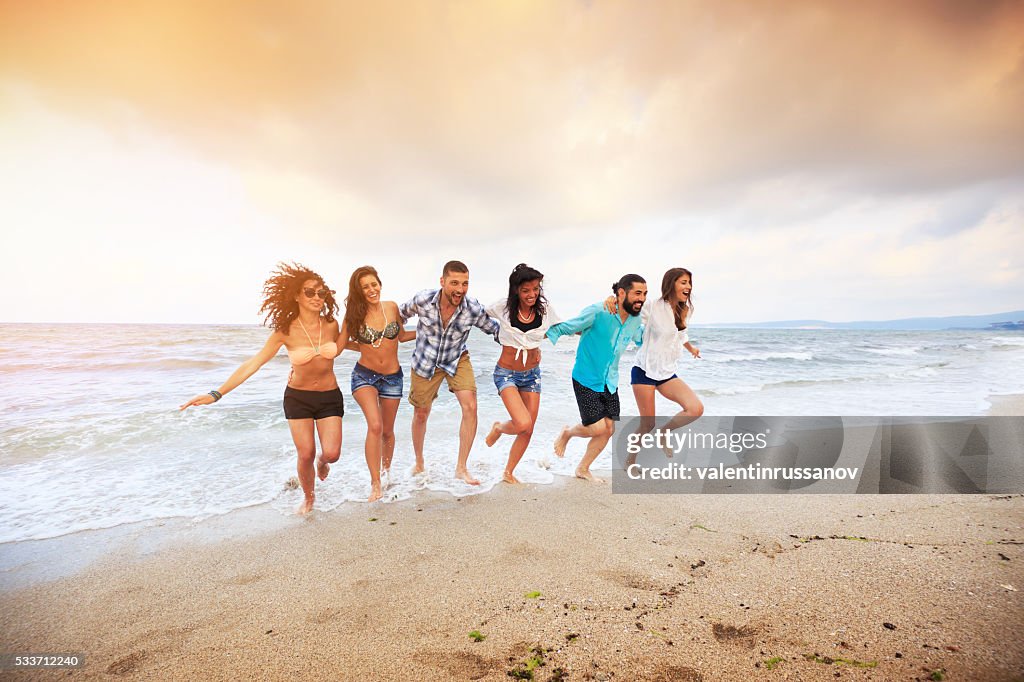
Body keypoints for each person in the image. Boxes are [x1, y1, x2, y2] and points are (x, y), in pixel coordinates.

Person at [180, 263, 344, 515]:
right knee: (306, 453)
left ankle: (323, 463)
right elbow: (254, 363)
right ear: (297, 296)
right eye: (310, 292)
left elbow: (349, 343)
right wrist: (216, 393)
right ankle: (309, 497)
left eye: (321, 293)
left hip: (329, 395)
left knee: (331, 453)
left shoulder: (332, 325)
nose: (316, 298)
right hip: (298, 398)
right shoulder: (285, 331)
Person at [398, 260, 499, 485]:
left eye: (465, 284)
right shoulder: (423, 299)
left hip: (456, 359)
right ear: (442, 281)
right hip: (426, 363)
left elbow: (494, 329)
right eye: (454, 283)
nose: (460, 289)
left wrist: (526, 342)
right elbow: (399, 315)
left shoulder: (472, 308)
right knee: (421, 413)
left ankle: (461, 468)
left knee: (471, 406)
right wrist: (395, 336)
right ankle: (419, 461)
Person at [547, 274, 647, 482]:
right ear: (621, 293)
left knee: (608, 429)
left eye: (645, 294)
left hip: (610, 381)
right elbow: (569, 326)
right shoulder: (599, 311)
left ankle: (583, 469)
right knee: (596, 427)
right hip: (586, 377)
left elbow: (641, 339)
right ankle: (567, 433)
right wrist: (532, 336)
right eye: (637, 293)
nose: (642, 298)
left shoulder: (636, 319)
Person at [606, 267, 704, 462]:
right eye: (683, 282)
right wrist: (612, 300)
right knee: (647, 423)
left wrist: (691, 348)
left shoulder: (686, 308)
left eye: (689, 282)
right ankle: (630, 459)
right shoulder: (652, 306)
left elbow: (680, 332)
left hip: (666, 372)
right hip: (644, 370)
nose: (688, 286)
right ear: (671, 284)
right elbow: (627, 308)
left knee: (695, 408)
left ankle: (665, 432)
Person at [340, 265, 416, 502]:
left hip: (393, 378)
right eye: (366, 287)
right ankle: (375, 485)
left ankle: (386, 473)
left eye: (374, 284)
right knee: (375, 425)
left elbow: (402, 337)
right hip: (364, 376)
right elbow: (339, 344)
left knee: (387, 431)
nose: (372, 290)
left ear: (380, 284)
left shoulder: (391, 307)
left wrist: (428, 331)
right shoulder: (353, 315)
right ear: (359, 291)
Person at [483, 264, 561, 483]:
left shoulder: (545, 310)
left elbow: (562, 327)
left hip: (532, 375)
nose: (532, 294)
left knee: (528, 429)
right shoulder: (503, 308)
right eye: (526, 290)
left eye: (536, 289)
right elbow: (477, 314)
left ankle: (508, 472)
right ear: (516, 289)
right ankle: (498, 427)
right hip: (506, 373)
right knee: (523, 423)